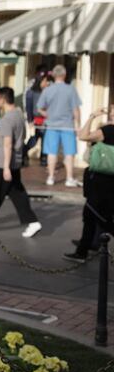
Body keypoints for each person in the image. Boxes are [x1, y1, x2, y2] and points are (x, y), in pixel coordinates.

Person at [0, 87, 42, 238]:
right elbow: (16, 137)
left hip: (2, 163)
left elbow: (8, 144)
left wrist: (5, 168)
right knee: (16, 193)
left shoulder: (7, 119)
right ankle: (31, 221)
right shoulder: (18, 114)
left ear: (3, 99)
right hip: (14, 161)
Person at [63, 105, 114, 263]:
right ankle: (85, 248)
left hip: (101, 182)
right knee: (91, 216)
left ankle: (84, 250)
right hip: (109, 182)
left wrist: (92, 116)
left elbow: (83, 135)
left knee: (102, 218)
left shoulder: (109, 130)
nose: (110, 113)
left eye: (113, 112)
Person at [37, 64, 82, 187]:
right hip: (67, 125)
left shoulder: (47, 90)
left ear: (53, 75)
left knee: (52, 152)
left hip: (52, 125)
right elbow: (76, 109)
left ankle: (51, 177)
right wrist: (78, 125)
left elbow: (39, 108)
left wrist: (47, 114)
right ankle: (69, 178)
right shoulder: (70, 89)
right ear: (64, 74)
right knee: (69, 152)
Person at [24, 71, 52, 167]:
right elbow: (29, 107)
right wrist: (30, 120)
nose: (46, 83)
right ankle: (24, 151)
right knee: (34, 139)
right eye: (45, 81)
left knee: (45, 139)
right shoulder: (31, 93)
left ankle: (44, 158)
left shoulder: (48, 92)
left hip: (47, 119)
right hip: (37, 119)